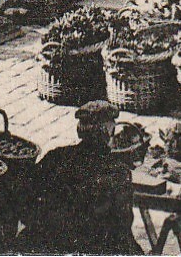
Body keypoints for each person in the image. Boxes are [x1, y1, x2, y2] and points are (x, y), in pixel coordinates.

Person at [23, 101, 141, 254]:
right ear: (108, 134)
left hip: (51, 244)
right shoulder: (118, 172)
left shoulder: (56, 157)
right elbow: (123, 225)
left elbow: (26, 198)